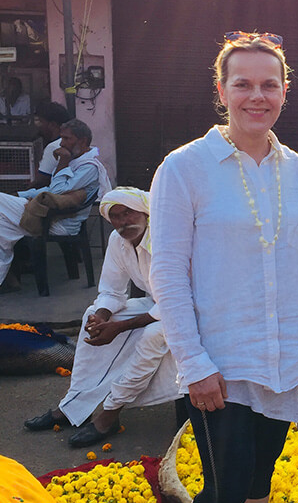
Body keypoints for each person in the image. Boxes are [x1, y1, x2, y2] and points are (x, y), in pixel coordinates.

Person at [149, 31, 298, 503]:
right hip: (220, 361)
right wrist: (193, 362)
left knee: (258, 478)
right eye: (244, 84)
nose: (258, 96)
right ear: (222, 89)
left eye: (269, 85)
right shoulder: (184, 168)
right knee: (225, 490)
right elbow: (165, 273)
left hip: (282, 355)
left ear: (283, 91)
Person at [23, 187, 180, 447]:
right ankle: (73, 406)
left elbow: (176, 302)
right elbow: (111, 290)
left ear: (145, 211)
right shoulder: (119, 241)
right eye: (115, 217)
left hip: (193, 311)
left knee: (152, 336)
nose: (122, 222)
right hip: (158, 305)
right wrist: (102, 318)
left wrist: (119, 327)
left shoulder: (169, 239)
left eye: (127, 213)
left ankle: (110, 414)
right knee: (89, 317)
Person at [0, 118, 105, 287]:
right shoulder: (76, 160)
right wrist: (20, 194)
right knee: (2, 226)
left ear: (83, 141)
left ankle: (8, 279)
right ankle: (8, 280)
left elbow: (56, 192)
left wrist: (62, 162)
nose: (61, 144)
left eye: (67, 139)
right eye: (61, 138)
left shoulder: (89, 167)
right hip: (46, 213)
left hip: (59, 221)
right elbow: (49, 190)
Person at [31, 101, 72, 188]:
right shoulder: (73, 141)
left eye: (40, 121)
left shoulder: (53, 147)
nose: (37, 125)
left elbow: (41, 182)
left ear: (53, 125)